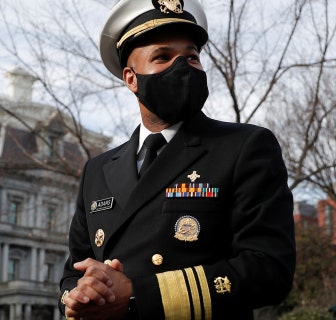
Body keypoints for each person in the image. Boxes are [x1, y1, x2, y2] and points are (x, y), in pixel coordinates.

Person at [58, 0, 296, 319]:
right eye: (163, 56)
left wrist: (137, 294)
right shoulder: (98, 170)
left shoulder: (244, 147)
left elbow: (268, 269)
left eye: (191, 57)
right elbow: (73, 271)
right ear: (131, 78)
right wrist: (77, 296)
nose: (182, 67)